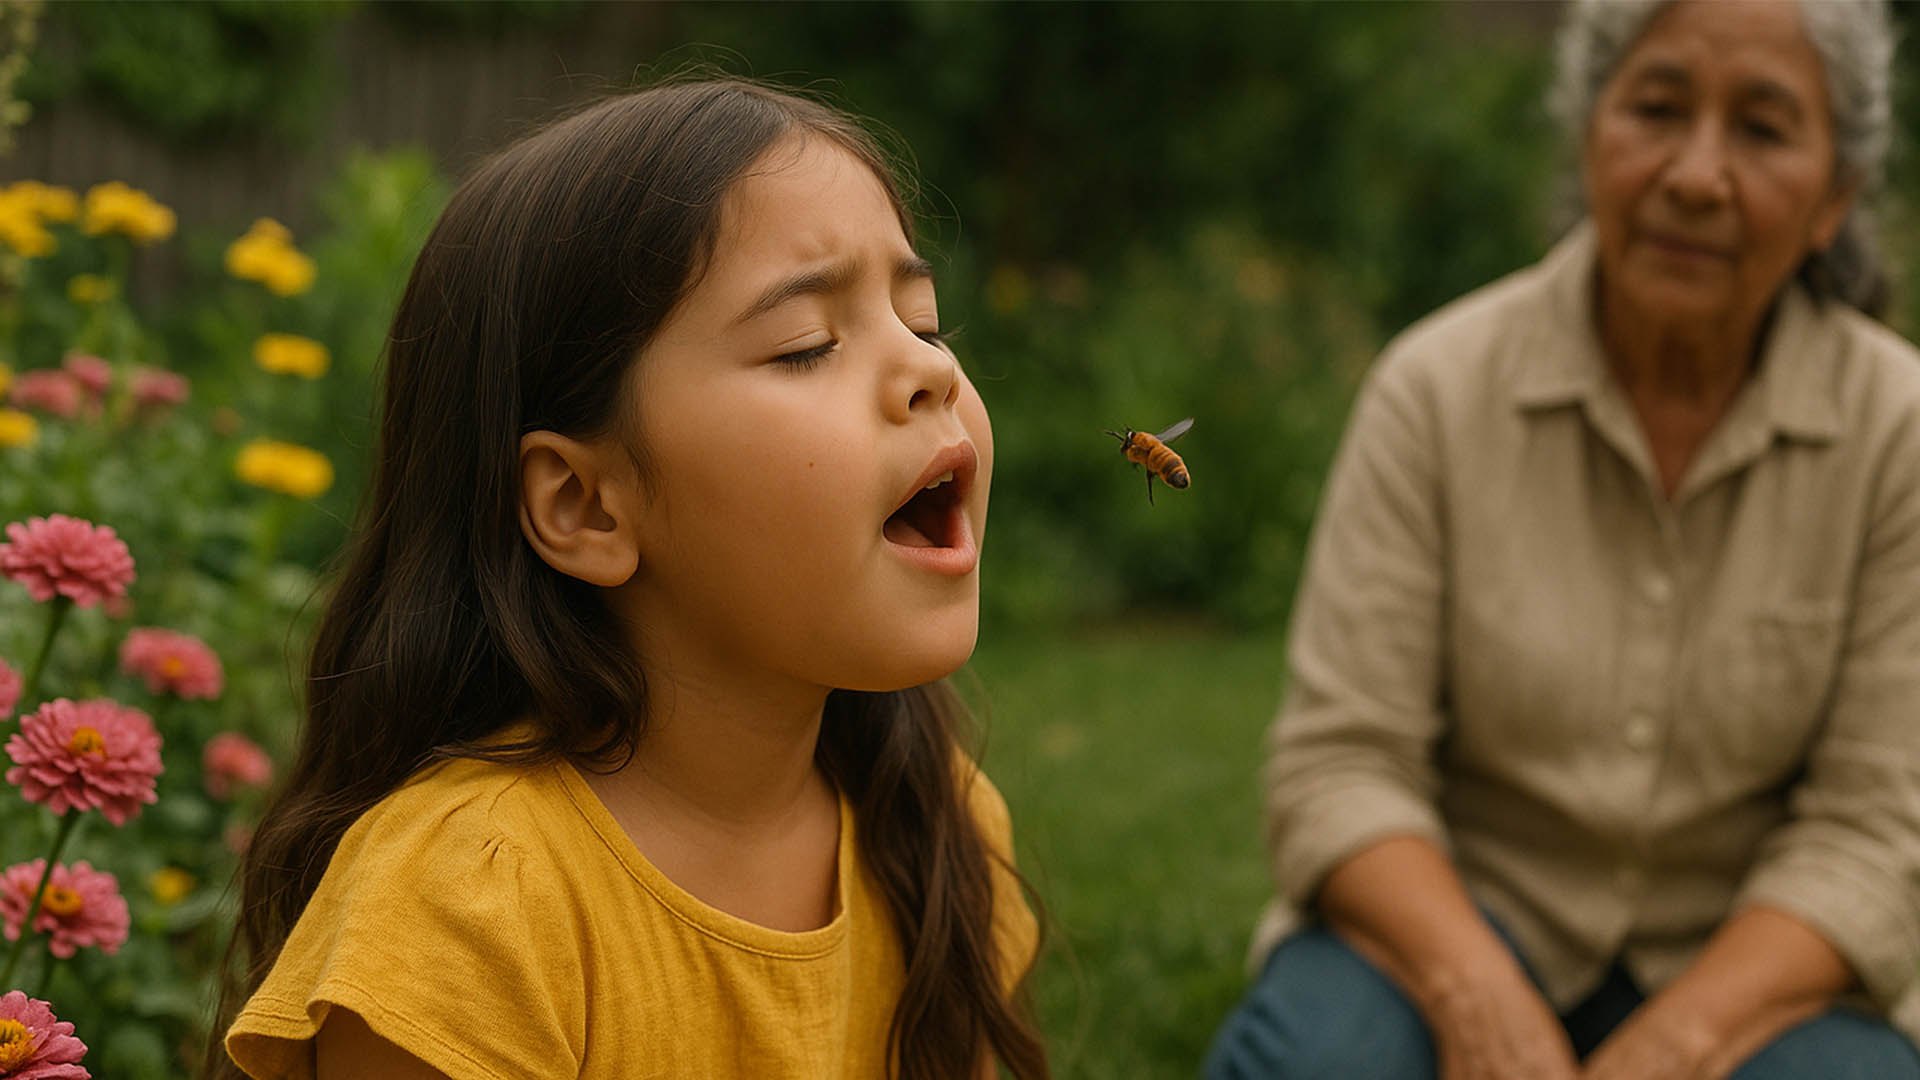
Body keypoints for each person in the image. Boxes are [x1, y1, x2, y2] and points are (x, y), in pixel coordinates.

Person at [209, 79, 1048, 1080]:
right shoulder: (467, 909)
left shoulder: (932, 816)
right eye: (805, 345)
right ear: (585, 506)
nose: (930, 371)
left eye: (924, 320)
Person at [1206, 1, 1920, 1077]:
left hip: (1756, 965)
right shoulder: (1435, 392)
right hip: (1458, 920)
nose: (1696, 174)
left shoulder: (1898, 434)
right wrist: (1478, 997)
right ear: (1590, 133)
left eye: (1764, 130)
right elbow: (1343, 764)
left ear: (1835, 202)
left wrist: (1679, 1043)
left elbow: (1876, 834)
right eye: (1657, 109)